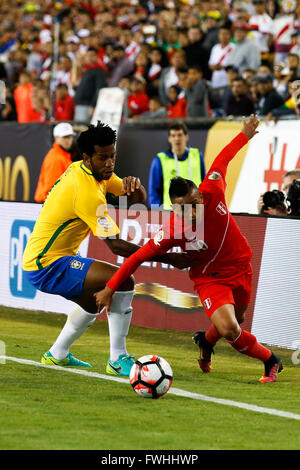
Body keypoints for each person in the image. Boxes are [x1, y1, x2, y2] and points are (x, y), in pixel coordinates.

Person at [95, 115, 283, 384]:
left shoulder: (213, 189)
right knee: (230, 329)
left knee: (237, 320)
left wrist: (245, 134)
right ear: (175, 209)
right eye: (185, 208)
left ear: (200, 195)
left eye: (196, 202)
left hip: (242, 265)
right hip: (209, 278)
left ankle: (205, 342)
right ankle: (271, 360)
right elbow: (137, 257)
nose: (193, 210)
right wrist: (110, 288)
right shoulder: (171, 230)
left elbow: (223, 158)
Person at [24, 122, 190, 377]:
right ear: (87, 157)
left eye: (113, 156)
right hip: (46, 264)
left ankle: (56, 354)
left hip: (55, 258)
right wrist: (167, 257)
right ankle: (117, 359)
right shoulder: (85, 190)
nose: (110, 163)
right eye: (103, 158)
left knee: (93, 300)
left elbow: (136, 201)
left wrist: (138, 187)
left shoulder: (93, 172)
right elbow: (115, 245)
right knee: (122, 281)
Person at [148, 122, 206, 209]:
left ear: (186, 137)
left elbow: (204, 184)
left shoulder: (197, 155)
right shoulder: (160, 160)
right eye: (173, 136)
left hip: (196, 210)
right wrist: (156, 213)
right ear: (169, 139)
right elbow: (154, 191)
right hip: (171, 211)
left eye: (179, 135)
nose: (177, 139)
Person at [34, 123, 75, 203]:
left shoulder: (63, 156)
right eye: (65, 137)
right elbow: (52, 190)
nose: (68, 140)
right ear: (56, 138)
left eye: (70, 137)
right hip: (50, 205)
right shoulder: (56, 158)